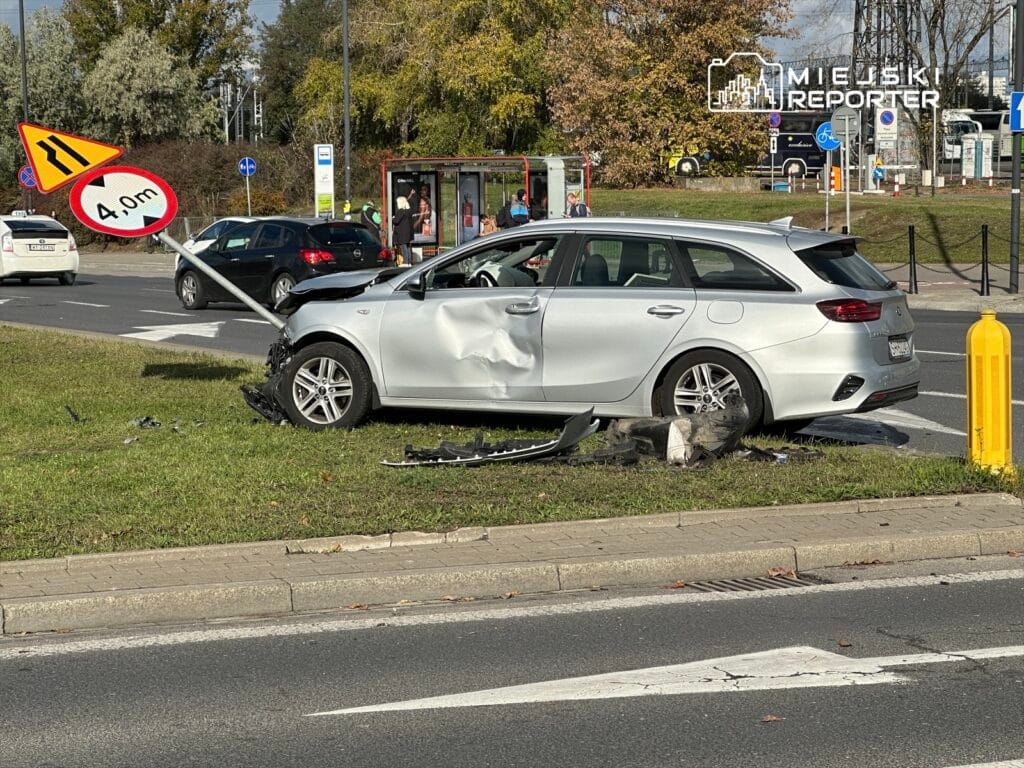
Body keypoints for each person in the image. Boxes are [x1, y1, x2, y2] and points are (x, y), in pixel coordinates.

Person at [392, 196, 413, 266]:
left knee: (403, 248)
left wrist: (393, 218)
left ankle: (405, 262)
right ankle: (409, 262)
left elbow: (396, 221)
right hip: (408, 233)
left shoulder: (401, 211)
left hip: (402, 233)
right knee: (408, 247)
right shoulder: (408, 211)